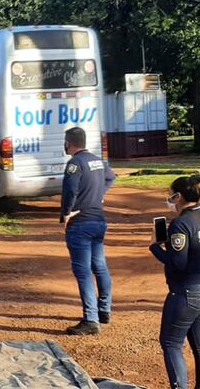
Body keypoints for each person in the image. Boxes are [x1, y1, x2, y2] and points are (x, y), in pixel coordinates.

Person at [150, 174, 200, 389]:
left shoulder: (180, 224)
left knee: (171, 343)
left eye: (170, 195)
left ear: (178, 196)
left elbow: (177, 263)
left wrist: (155, 247)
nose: (169, 198)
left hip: (188, 293)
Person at [59, 127, 116, 335]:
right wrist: (100, 194)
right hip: (99, 220)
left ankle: (90, 319)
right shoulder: (97, 160)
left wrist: (66, 213)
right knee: (99, 266)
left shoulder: (75, 163)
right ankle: (104, 310)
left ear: (69, 143)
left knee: (83, 272)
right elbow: (111, 177)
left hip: (80, 223)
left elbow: (70, 190)